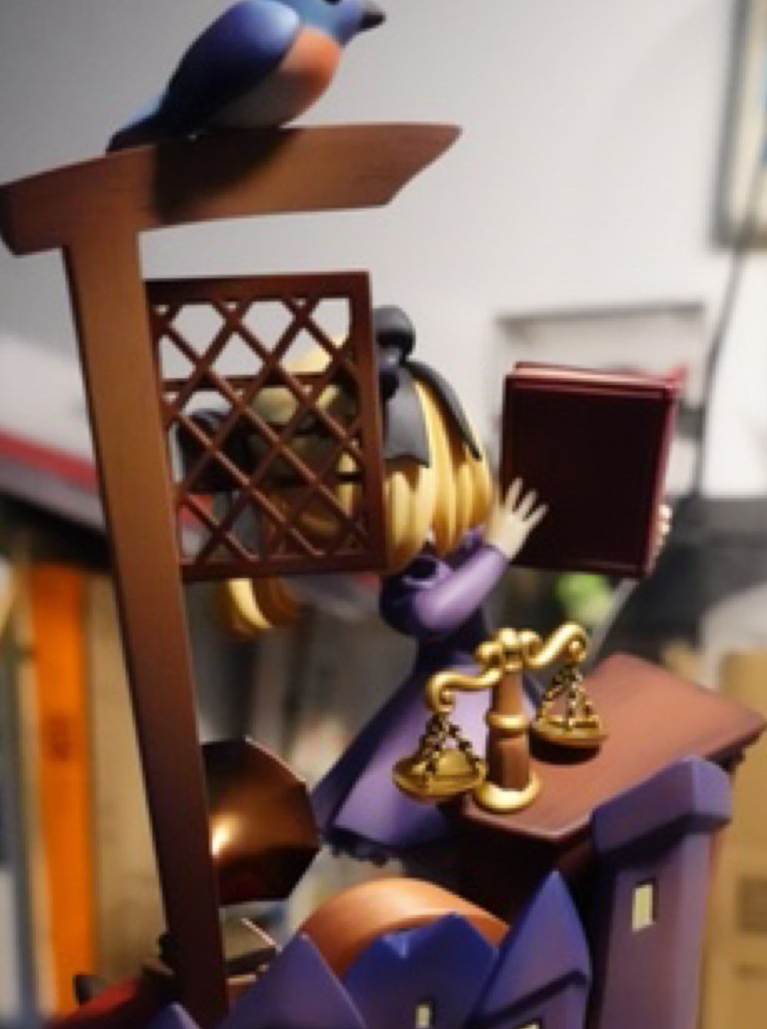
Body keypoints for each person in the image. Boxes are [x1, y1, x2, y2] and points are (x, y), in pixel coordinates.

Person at [222, 308, 545, 861]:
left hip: (486, 689)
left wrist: (634, 533)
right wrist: (497, 550)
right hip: (452, 702)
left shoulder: (455, 541)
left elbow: (518, 537)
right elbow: (434, 614)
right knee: (449, 830)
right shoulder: (410, 580)